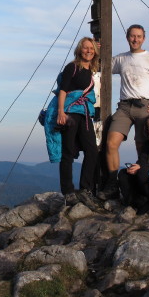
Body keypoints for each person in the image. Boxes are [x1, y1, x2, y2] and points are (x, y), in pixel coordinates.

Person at [99, 24, 149, 200]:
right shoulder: (121, 59)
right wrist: (98, 49)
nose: (135, 39)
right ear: (127, 38)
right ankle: (112, 184)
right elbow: (101, 67)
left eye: (139, 36)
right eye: (132, 36)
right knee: (111, 143)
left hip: (144, 106)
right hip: (124, 107)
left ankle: (141, 184)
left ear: (144, 38)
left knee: (142, 147)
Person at [43, 37, 101, 208]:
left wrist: (98, 46)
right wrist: (61, 112)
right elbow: (63, 90)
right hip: (70, 114)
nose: (88, 51)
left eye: (91, 48)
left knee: (92, 151)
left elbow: (98, 56)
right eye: (85, 48)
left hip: (84, 114)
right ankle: (68, 192)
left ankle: (85, 189)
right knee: (67, 152)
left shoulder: (91, 70)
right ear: (79, 50)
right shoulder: (72, 67)